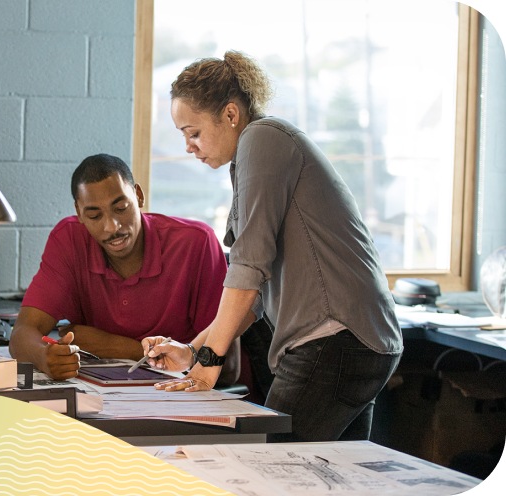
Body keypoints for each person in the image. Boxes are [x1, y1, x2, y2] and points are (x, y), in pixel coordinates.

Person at [141, 51, 403, 443]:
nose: (189, 148)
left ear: (231, 114)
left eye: (193, 132)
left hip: (334, 340)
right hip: (360, 342)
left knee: (270, 466)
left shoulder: (262, 139)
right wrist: (194, 351)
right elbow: (258, 296)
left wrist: (210, 359)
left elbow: (248, 264)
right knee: (330, 479)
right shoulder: (254, 154)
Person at [9, 153, 236, 382]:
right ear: (79, 212)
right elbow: (22, 334)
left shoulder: (196, 242)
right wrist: (44, 357)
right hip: (103, 399)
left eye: (120, 208)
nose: (111, 226)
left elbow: (229, 366)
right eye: (94, 215)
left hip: (187, 396)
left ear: (138, 196)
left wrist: (114, 346)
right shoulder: (68, 240)